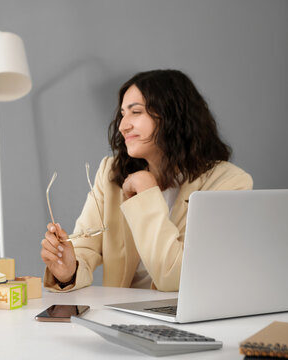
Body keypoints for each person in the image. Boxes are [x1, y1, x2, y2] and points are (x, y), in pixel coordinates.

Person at [40, 69, 253, 292]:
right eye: (123, 114)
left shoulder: (230, 183)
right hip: (120, 316)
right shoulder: (111, 173)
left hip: (185, 317)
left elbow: (176, 280)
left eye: (136, 112)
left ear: (173, 116)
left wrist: (147, 192)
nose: (123, 125)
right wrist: (68, 271)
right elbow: (84, 247)